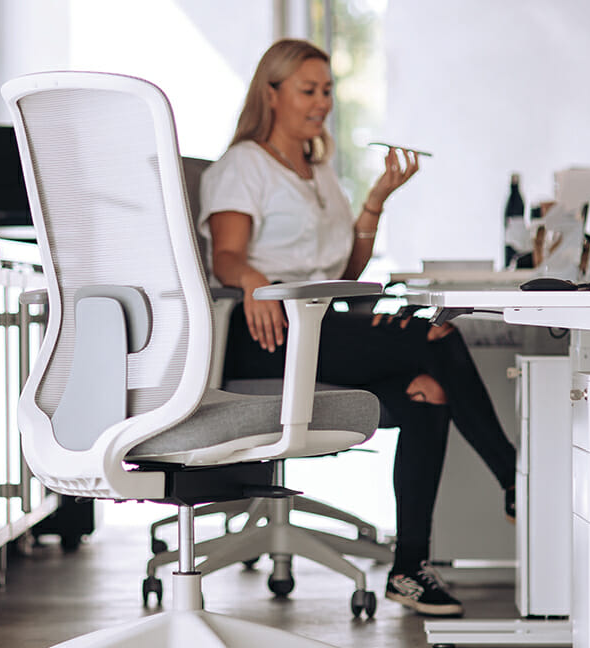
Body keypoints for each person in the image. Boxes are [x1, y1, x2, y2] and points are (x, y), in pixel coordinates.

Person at [198, 39, 518, 618]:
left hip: (323, 329)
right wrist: (251, 283)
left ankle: (409, 570)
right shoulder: (243, 165)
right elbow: (226, 255)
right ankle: (515, 476)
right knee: (433, 333)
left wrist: (374, 201)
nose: (322, 103)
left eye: (327, 91)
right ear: (271, 94)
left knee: (428, 393)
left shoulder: (317, 172)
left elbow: (344, 270)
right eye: (308, 90)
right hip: (267, 336)